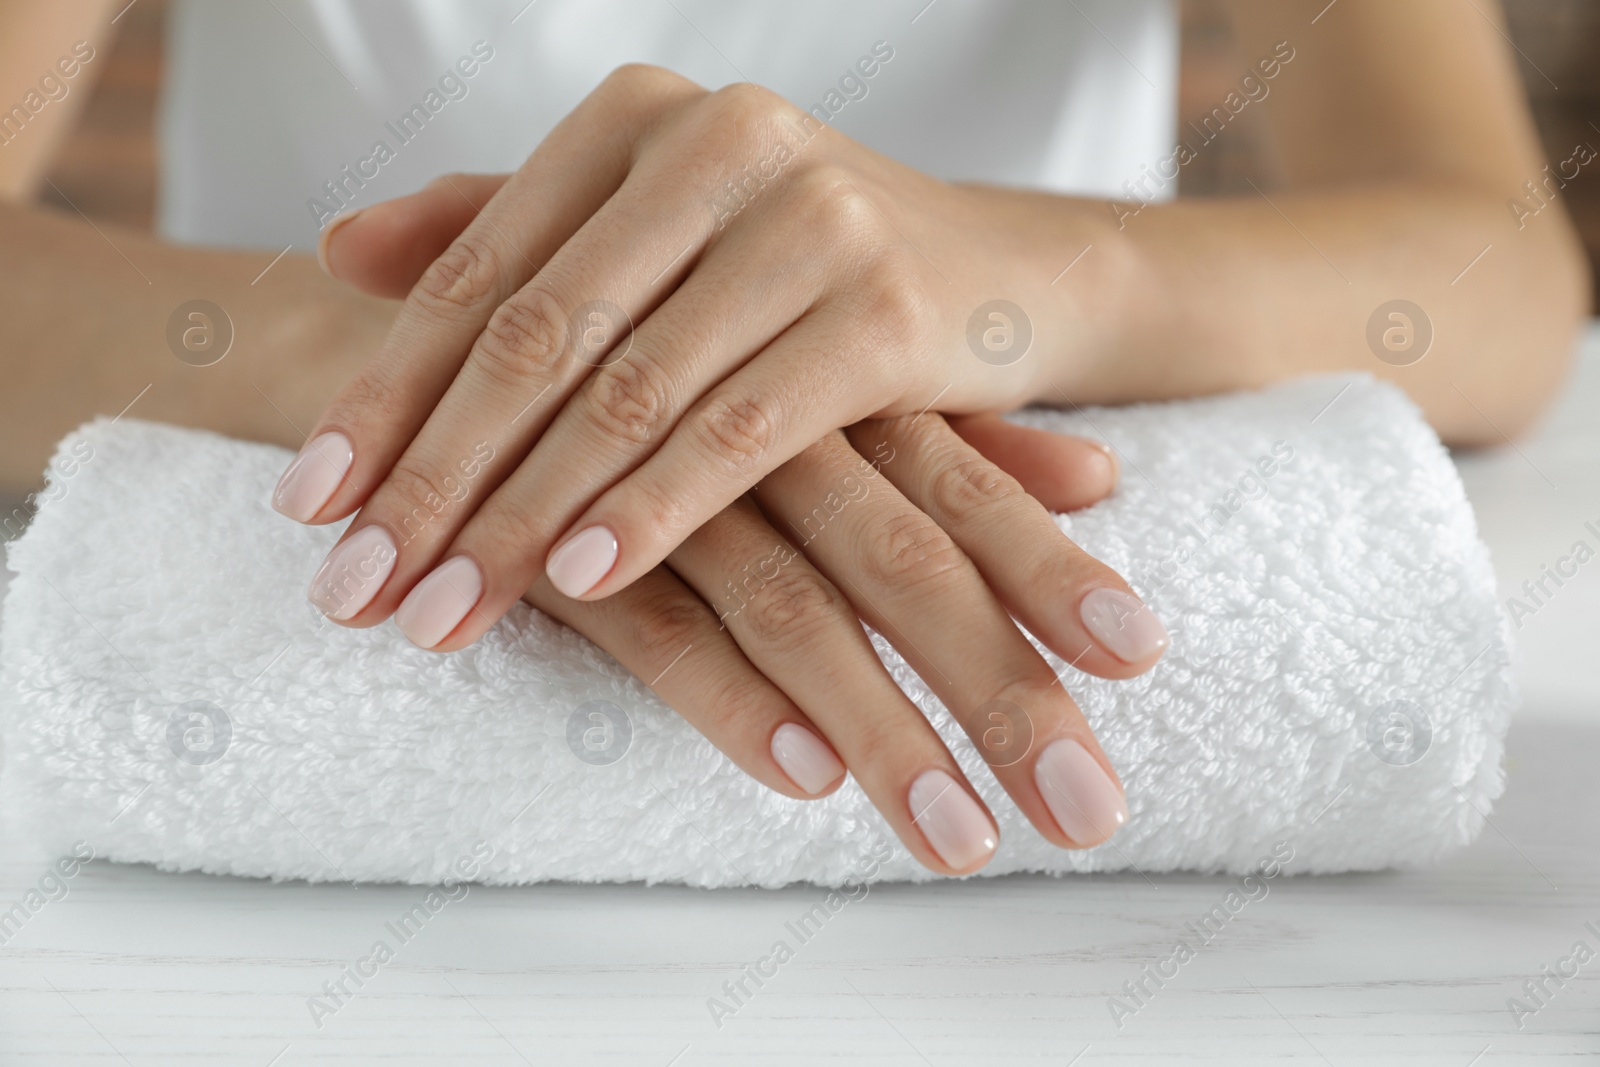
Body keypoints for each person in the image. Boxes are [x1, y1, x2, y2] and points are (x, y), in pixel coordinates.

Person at [0, 0, 1587, 876]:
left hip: (1001, 453)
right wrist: (449, 373)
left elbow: (1499, 263)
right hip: (319, 486)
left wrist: (1031, 271)